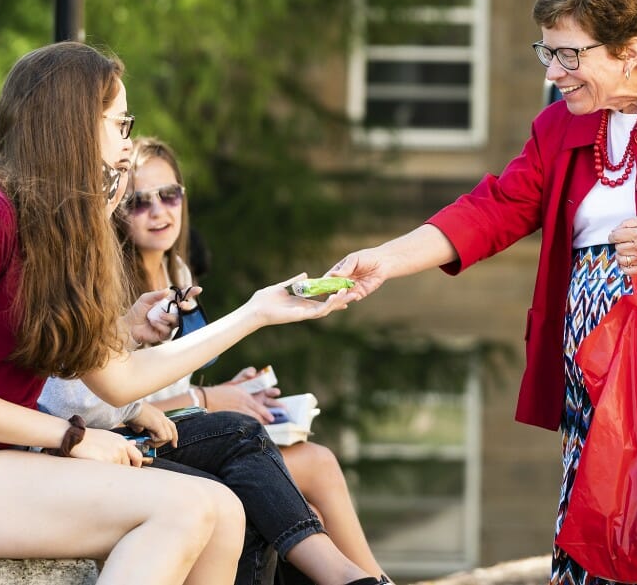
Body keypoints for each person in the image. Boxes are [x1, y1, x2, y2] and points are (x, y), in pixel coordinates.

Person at [328, 0, 637, 585]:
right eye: (545, 53)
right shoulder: (560, 128)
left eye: (569, 55)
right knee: (602, 530)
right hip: (594, 392)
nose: (553, 72)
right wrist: (385, 260)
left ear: (630, 51)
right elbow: (492, 209)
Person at [0, 41, 367, 585]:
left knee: (224, 509)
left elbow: (122, 377)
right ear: (72, 125)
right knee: (182, 508)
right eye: (119, 124)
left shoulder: (55, 232)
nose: (128, 147)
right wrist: (75, 437)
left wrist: (257, 312)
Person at [38, 137, 390, 585]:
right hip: (113, 439)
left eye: (170, 195)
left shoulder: (179, 274)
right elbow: (95, 399)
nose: (160, 211)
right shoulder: (104, 279)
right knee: (284, 471)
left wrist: (229, 390)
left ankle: (366, 577)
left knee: (296, 494)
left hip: (161, 428)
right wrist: (206, 397)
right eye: (139, 202)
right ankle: (365, 579)